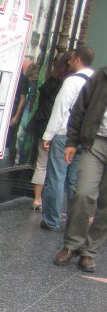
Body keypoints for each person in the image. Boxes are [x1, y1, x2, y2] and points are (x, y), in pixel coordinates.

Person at [54, 64, 107, 273]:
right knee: (83, 193)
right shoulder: (102, 75)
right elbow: (80, 107)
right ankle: (71, 245)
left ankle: (89, 251)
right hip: (95, 143)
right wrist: (72, 141)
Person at [40, 46, 94, 231]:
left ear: (78, 59)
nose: (68, 63)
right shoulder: (96, 81)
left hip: (65, 134)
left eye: (71, 59)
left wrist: (48, 135)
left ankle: (51, 220)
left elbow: (61, 108)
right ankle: (74, 221)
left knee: (56, 177)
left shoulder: (72, 81)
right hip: (84, 137)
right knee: (74, 182)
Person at [26, 52, 73, 210]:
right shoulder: (68, 84)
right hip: (58, 129)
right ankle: (46, 200)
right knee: (56, 168)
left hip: (43, 125)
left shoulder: (50, 80)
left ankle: (37, 199)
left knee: (42, 164)